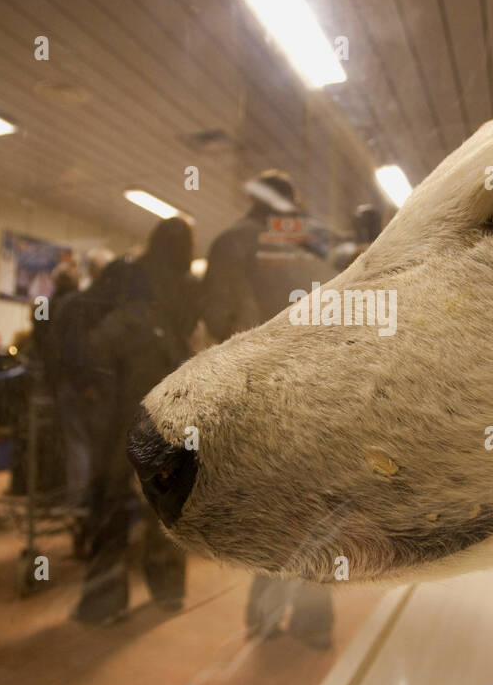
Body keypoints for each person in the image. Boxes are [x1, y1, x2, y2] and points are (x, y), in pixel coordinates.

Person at [201, 171, 340, 649]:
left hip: (260, 389)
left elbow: (220, 317)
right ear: (294, 199)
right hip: (323, 387)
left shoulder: (232, 242)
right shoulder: (317, 240)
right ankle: (313, 622)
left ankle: (265, 618)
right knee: (319, 507)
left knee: (270, 506)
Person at [74, 218, 199, 624]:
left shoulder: (124, 272)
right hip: (167, 396)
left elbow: (84, 322)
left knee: (111, 498)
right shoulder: (185, 284)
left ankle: (103, 600)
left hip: (120, 398)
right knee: (166, 499)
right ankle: (169, 589)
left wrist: (88, 386)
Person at [48, 249, 115, 512]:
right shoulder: (106, 304)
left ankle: (81, 502)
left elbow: (62, 346)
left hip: (79, 385)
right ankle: (89, 504)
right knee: (90, 445)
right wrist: (87, 383)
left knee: (78, 444)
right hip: (92, 386)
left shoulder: (76, 303)